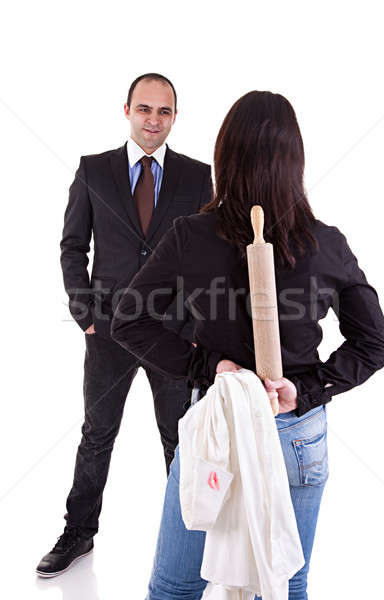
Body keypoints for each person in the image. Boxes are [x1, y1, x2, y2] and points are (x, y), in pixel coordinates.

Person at [110, 90, 384, 599]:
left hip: (220, 427)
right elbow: (374, 344)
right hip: (289, 435)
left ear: (224, 156)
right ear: (295, 161)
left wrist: (206, 368)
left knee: (175, 589)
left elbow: (127, 320)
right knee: (283, 584)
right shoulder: (326, 243)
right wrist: (306, 390)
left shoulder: (190, 235)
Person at [36, 73, 213, 578]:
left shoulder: (197, 177)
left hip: (175, 334)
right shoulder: (94, 171)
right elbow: (73, 247)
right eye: (144, 109)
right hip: (109, 330)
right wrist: (85, 314)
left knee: (181, 439)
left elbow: (207, 254)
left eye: (164, 111)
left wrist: (199, 323)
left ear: (174, 117)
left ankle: (192, 539)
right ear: (128, 110)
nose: (153, 120)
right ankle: (79, 531)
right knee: (97, 434)